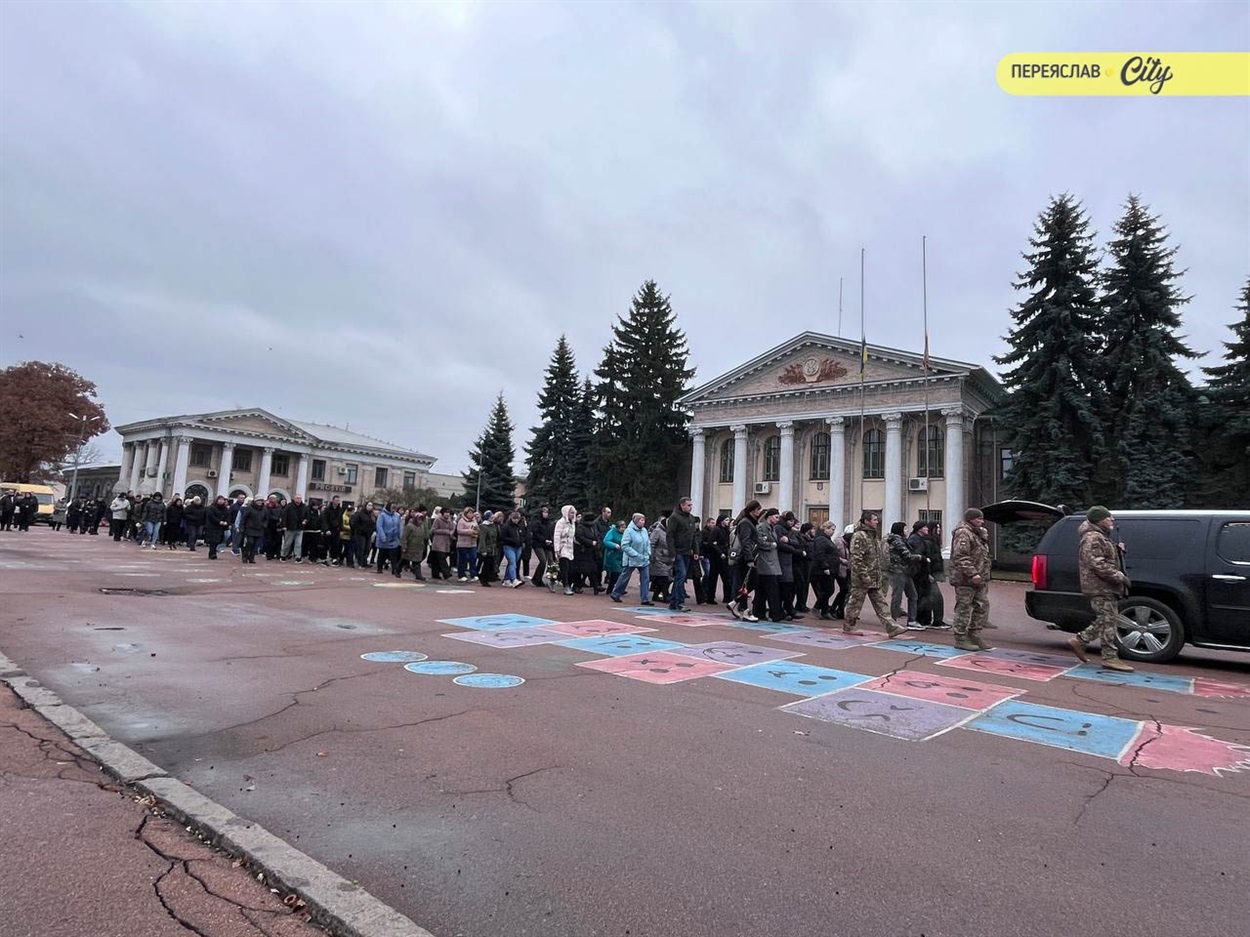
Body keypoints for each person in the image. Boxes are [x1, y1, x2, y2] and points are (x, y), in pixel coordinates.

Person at [1068, 506, 1134, 672]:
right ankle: (1109, 657)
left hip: (1105, 586)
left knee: (1108, 619)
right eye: (1108, 517)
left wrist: (1117, 550)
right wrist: (1120, 577)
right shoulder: (1093, 538)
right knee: (1108, 620)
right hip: (1100, 586)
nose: (1112, 519)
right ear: (1099, 520)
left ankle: (1081, 641)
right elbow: (1097, 564)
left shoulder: (1101, 536)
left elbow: (1103, 557)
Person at [844, 511, 907, 638]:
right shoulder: (859, 536)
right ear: (866, 521)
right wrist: (863, 575)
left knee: (881, 603)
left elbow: (877, 557)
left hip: (875, 576)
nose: (877, 522)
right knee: (855, 603)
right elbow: (856, 559)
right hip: (862, 578)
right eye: (874, 519)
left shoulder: (873, 536)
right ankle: (849, 626)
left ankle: (891, 627)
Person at [950, 507, 993, 651]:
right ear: (971, 519)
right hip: (965, 578)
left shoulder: (976, 533)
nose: (982, 521)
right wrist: (972, 573)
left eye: (982, 518)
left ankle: (974, 634)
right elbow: (960, 556)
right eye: (978, 519)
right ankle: (960, 637)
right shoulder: (963, 532)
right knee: (964, 607)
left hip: (980, 578)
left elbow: (982, 555)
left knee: (981, 606)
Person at [727, 500, 763, 622]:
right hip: (744, 558)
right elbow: (745, 542)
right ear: (753, 510)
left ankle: (735, 603)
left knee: (750, 583)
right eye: (758, 509)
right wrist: (749, 559)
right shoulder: (745, 523)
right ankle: (745, 610)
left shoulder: (751, 522)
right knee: (747, 583)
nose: (760, 512)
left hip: (749, 556)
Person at [610, 513, 653, 605]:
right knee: (625, 576)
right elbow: (625, 545)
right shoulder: (629, 531)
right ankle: (616, 593)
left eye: (644, 520)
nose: (643, 522)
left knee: (645, 578)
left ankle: (645, 599)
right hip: (631, 559)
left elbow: (648, 543)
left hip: (644, 559)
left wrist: (648, 553)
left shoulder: (644, 530)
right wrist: (635, 554)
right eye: (641, 520)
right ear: (636, 521)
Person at [886, 521, 922, 628]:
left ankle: (912, 620)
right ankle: (893, 620)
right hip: (897, 571)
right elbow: (907, 555)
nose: (907, 531)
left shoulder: (902, 540)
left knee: (913, 595)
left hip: (905, 571)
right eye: (905, 529)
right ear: (900, 530)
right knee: (897, 596)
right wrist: (920, 557)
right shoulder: (897, 541)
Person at [666, 496, 698, 612]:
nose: (690, 507)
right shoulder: (674, 517)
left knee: (681, 577)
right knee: (681, 575)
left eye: (691, 505)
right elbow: (670, 535)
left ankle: (673, 602)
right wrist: (672, 553)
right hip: (678, 551)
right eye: (688, 505)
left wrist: (696, 550)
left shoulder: (691, 518)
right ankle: (680, 602)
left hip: (687, 552)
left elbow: (693, 536)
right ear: (682, 505)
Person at [553, 505, 577, 595]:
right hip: (562, 548)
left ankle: (553, 580)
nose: (573, 515)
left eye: (574, 513)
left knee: (570, 569)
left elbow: (572, 536)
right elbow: (556, 536)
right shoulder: (560, 522)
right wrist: (556, 549)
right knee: (565, 567)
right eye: (571, 513)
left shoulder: (573, 523)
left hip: (570, 548)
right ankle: (566, 586)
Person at [375, 502, 403, 576]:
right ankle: (379, 568)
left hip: (394, 539)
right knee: (382, 554)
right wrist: (383, 536)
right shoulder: (382, 515)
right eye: (392, 507)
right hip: (384, 539)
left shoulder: (397, 516)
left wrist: (400, 537)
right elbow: (379, 526)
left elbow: (399, 527)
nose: (393, 509)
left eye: (395, 508)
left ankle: (394, 569)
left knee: (394, 555)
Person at [402, 507, 429, 581]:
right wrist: (404, 546)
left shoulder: (421, 526)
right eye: (419, 519)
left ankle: (418, 575)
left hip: (418, 547)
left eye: (421, 520)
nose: (420, 521)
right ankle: (398, 569)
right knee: (404, 559)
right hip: (410, 546)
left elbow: (423, 535)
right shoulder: (410, 526)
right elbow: (405, 536)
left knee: (417, 562)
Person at [602, 519, 625, 594]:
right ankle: (616, 589)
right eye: (622, 527)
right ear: (618, 527)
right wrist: (614, 545)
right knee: (617, 573)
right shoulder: (611, 532)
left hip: (621, 555)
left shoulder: (625, 533)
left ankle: (612, 589)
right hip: (612, 555)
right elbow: (606, 541)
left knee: (617, 573)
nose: (623, 529)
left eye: (624, 527)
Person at [205, 495, 231, 560]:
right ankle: (212, 554)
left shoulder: (225, 509)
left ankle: (213, 552)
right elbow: (211, 516)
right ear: (217, 500)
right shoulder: (212, 507)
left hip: (221, 527)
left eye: (223, 500)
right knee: (213, 541)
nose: (221, 501)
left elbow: (228, 516)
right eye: (220, 500)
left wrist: (227, 522)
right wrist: (219, 521)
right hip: (212, 527)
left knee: (219, 540)